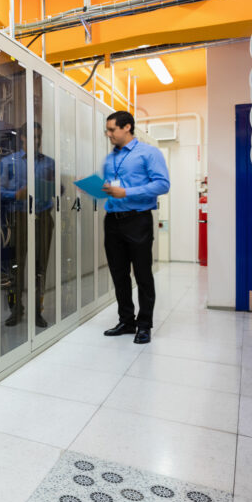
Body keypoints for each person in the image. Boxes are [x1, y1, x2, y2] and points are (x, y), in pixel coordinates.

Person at [100, 110, 169, 344]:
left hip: (137, 219)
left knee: (142, 274)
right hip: (113, 220)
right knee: (119, 274)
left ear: (127, 127)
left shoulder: (149, 153)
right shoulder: (110, 158)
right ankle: (126, 321)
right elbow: (114, 186)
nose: (108, 134)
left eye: (112, 129)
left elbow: (162, 184)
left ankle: (144, 324)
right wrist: (103, 188)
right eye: (107, 130)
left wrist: (126, 192)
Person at [0, 122, 56, 328]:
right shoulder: (8, 162)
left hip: (43, 217)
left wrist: (54, 187)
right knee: (17, 266)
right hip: (20, 218)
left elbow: (59, 190)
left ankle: (37, 311)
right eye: (32, 136)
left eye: (39, 136)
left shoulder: (50, 163)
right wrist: (16, 194)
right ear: (22, 137)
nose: (37, 140)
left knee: (40, 266)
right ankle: (16, 310)